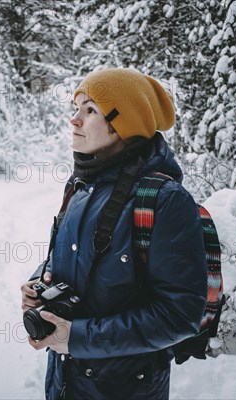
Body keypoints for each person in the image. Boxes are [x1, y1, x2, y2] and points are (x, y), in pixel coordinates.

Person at [20, 68, 208, 400]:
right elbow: (64, 258)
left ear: (125, 124)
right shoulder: (79, 186)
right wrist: (40, 284)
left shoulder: (165, 200)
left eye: (90, 110)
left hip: (125, 389)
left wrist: (78, 337)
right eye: (75, 108)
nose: (74, 120)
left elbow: (180, 315)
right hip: (64, 381)